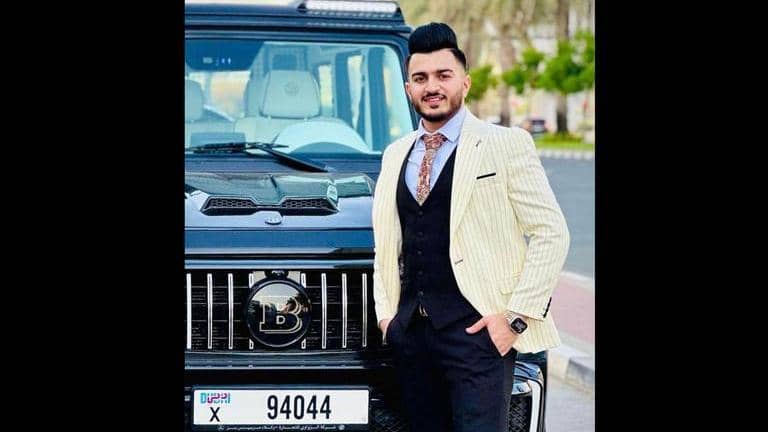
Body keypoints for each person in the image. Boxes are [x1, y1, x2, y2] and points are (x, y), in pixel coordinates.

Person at [371, 22, 570, 432]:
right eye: (420, 78)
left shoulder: (504, 144)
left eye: (443, 75)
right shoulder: (395, 154)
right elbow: (387, 245)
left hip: (479, 336)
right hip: (412, 337)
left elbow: (551, 233)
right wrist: (388, 319)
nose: (432, 87)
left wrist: (514, 319)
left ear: (465, 81)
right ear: (408, 89)